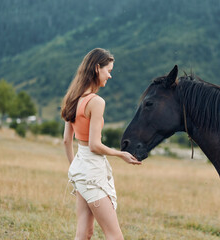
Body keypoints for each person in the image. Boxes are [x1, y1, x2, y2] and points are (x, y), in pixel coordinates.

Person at [61, 48, 141, 240]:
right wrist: (120, 154)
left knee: (84, 232)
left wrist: (75, 167)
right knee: (115, 235)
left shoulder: (73, 98)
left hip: (81, 167)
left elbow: (66, 140)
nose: (110, 75)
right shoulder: (96, 102)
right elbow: (95, 145)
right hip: (92, 171)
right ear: (97, 68)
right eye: (108, 70)